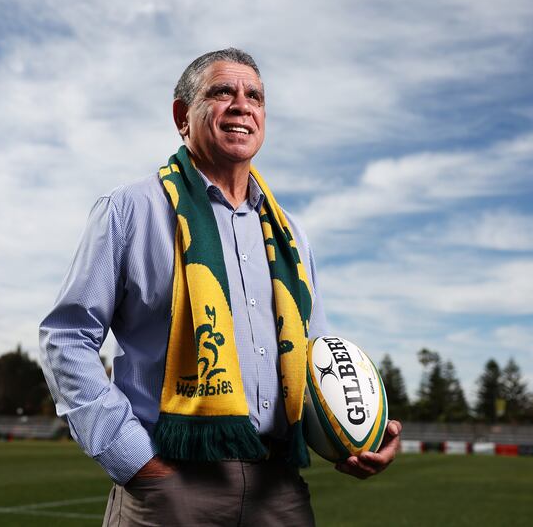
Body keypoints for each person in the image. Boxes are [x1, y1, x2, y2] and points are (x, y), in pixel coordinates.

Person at [39, 47, 401, 527]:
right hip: (171, 488)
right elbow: (65, 338)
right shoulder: (130, 211)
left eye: (254, 96)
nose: (242, 105)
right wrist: (136, 462)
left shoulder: (290, 235)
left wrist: (355, 439)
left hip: (280, 492)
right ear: (181, 117)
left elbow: (315, 358)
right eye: (221, 92)